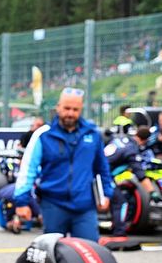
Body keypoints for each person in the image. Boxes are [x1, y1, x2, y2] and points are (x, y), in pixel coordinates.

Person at [13, 88, 112, 241]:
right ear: (58, 107)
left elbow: (102, 168)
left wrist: (106, 194)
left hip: (84, 206)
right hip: (53, 205)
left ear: (81, 109)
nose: (70, 113)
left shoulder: (92, 135)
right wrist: (22, 201)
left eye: (75, 109)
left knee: (88, 251)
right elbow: (28, 169)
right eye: (66, 108)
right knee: (53, 252)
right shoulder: (43, 135)